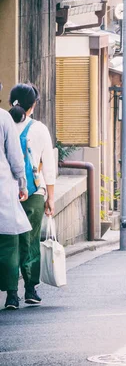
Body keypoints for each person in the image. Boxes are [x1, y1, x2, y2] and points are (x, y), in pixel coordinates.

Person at [9, 83, 56, 306]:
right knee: (30, 240)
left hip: (6, 193)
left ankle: (10, 293)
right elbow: (49, 167)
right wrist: (51, 198)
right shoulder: (39, 129)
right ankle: (30, 289)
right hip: (34, 194)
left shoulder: (3, 124)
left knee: (8, 242)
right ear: (33, 105)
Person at [0, 82, 31, 310]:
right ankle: (12, 294)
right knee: (8, 243)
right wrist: (22, 182)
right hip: (2, 187)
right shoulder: (4, 119)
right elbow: (15, 155)